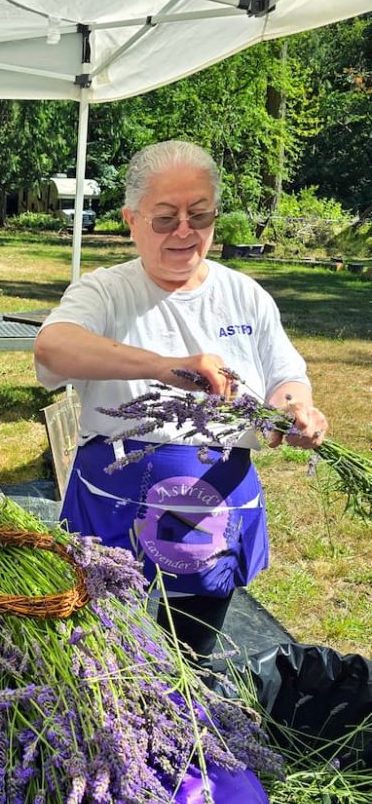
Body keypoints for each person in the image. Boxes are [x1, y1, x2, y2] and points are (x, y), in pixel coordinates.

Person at [34, 139, 327, 657]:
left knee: (192, 652)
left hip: (215, 499)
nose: (185, 231)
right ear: (131, 218)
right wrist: (167, 368)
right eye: (166, 218)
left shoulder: (245, 295)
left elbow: (286, 375)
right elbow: (55, 348)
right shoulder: (105, 291)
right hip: (115, 499)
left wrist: (294, 408)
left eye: (200, 214)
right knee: (100, 647)